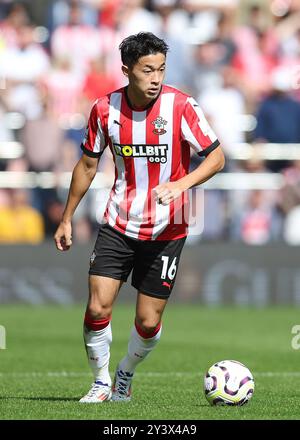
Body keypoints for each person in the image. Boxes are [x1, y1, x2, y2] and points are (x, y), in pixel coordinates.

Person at [54, 32, 225, 403]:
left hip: (169, 228)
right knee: (97, 306)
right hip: (118, 222)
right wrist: (67, 217)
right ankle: (100, 383)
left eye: (161, 69)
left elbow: (216, 157)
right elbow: (87, 164)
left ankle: (124, 374)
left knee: (148, 322)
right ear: (127, 70)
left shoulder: (181, 106)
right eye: (148, 70)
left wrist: (182, 185)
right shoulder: (104, 109)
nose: (156, 78)